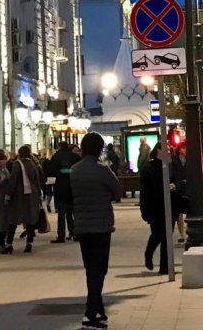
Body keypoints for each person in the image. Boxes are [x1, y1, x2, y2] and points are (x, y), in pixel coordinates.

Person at [71, 133, 121, 330]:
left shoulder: (74, 170)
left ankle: (98, 312)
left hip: (82, 225)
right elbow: (117, 190)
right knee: (99, 269)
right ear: (100, 149)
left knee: (91, 269)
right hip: (101, 226)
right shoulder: (102, 170)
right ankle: (90, 314)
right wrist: (106, 196)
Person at [140, 143, 182, 274]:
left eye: (170, 150)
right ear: (158, 150)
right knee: (158, 234)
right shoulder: (149, 168)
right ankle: (149, 253)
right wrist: (145, 210)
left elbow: (178, 180)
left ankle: (165, 266)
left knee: (167, 236)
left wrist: (175, 186)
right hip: (156, 207)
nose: (169, 152)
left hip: (170, 205)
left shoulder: (170, 165)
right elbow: (145, 191)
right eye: (167, 150)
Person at [6, 145, 43, 253]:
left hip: (19, 196)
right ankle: (29, 243)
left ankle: (9, 243)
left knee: (13, 219)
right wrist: (39, 194)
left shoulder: (17, 164)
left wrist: (8, 194)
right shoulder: (33, 164)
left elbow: (13, 181)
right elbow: (37, 180)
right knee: (30, 220)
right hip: (32, 195)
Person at [48, 141, 81, 243]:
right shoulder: (75, 157)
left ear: (59, 147)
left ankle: (61, 235)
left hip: (60, 187)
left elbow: (51, 171)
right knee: (73, 212)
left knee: (61, 213)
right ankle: (75, 233)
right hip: (73, 186)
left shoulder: (56, 157)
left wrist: (61, 172)